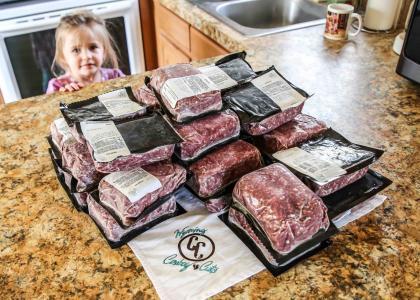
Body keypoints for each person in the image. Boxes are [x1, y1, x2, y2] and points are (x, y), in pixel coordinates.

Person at [46, 11, 125, 94]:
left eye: (93, 47)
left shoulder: (115, 77)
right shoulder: (57, 86)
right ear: (63, 57)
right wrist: (63, 97)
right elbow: (48, 106)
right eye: (76, 50)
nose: (86, 56)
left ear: (104, 51)